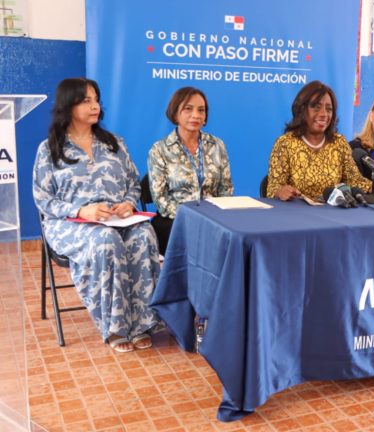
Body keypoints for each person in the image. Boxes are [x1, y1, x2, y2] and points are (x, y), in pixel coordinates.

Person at [32, 77, 160, 353]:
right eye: (86, 101)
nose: (95, 106)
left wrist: (128, 203)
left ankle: (142, 323)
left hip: (118, 218)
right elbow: (44, 199)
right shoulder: (50, 149)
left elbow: (133, 183)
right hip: (70, 223)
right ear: (68, 105)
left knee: (143, 235)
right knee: (105, 241)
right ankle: (114, 327)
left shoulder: (115, 143)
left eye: (96, 100)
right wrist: (81, 210)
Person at [147, 87, 233, 253]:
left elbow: (226, 189)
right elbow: (160, 199)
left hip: (213, 218)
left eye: (201, 110)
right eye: (188, 109)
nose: (196, 115)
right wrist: (191, 216)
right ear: (175, 113)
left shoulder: (217, 145)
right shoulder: (160, 149)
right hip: (175, 220)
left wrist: (216, 215)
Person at [267, 80, 374, 201]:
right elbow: (273, 188)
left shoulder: (339, 143)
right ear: (302, 110)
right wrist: (280, 191)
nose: (324, 114)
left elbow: (354, 181)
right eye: (316, 108)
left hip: (333, 211)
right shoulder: (285, 143)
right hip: (297, 210)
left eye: (329, 109)